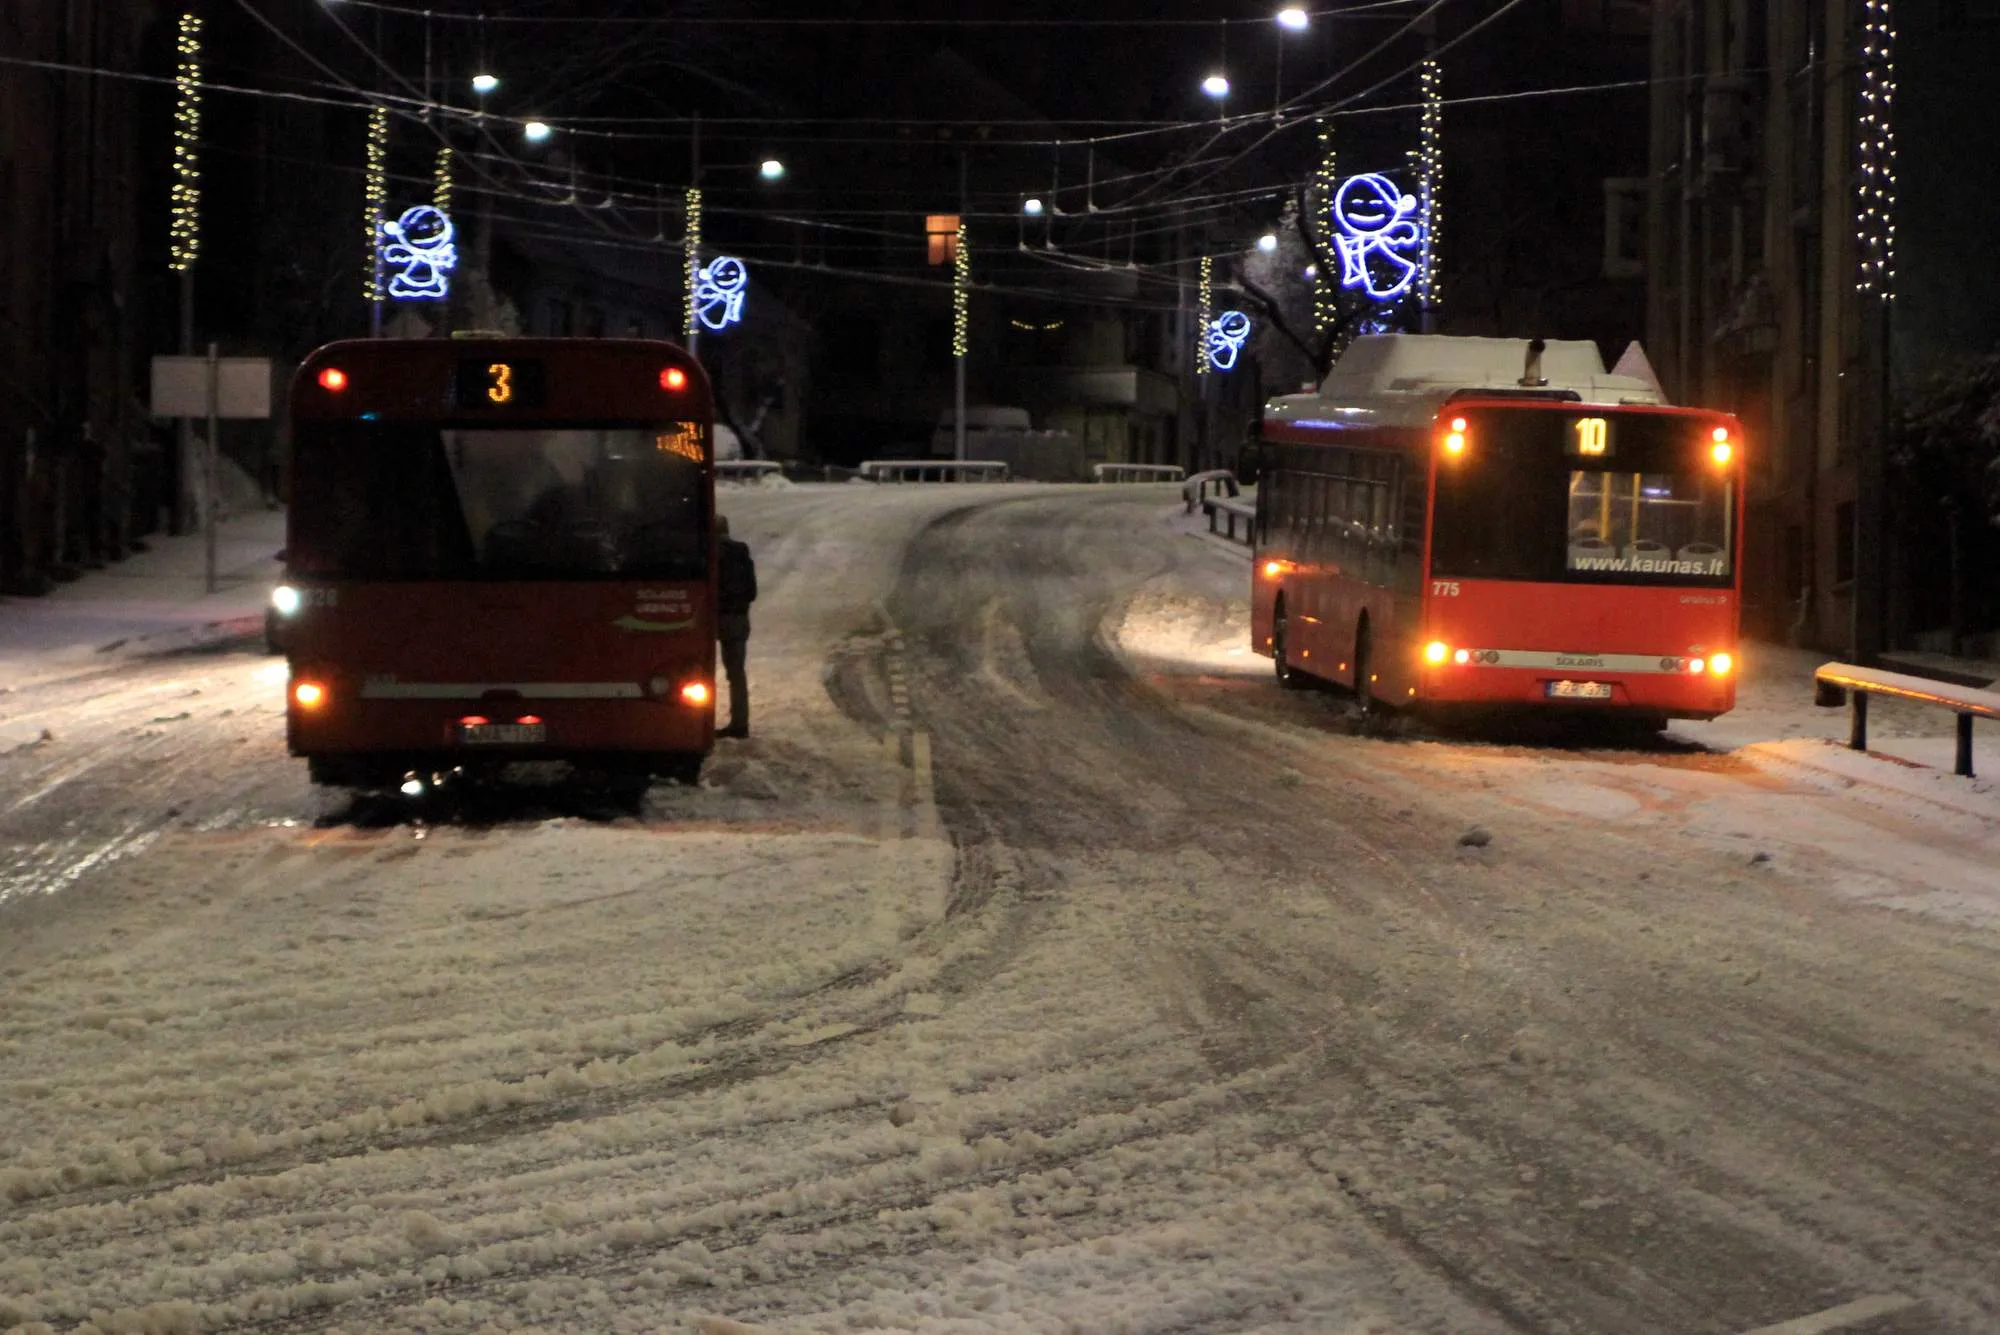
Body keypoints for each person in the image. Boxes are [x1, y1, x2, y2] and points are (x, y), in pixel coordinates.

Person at [715, 514, 758, 738]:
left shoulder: (709, 554)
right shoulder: (742, 553)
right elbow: (752, 591)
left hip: (712, 618)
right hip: (738, 618)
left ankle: (699, 720)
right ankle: (740, 724)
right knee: (736, 673)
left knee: (699, 670)